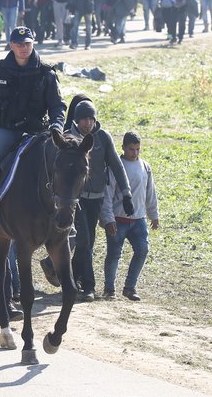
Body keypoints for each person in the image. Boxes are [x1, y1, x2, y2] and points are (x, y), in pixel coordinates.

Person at [0, 27, 66, 233]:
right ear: (11, 45)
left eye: (27, 43)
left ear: (33, 43)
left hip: (37, 131)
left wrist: (57, 126)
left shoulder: (47, 73)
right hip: (8, 129)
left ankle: (65, 217)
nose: (23, 48)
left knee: (64, 163)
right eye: (19, 44)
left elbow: (57, 105)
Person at [66, 100, 132, 301]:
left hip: (97, 198)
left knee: (89, 242)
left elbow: (116, 165)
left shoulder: (103, 137)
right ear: (77, 120)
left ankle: (71, 279)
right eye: (84, 119)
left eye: (91, 119)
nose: (88, 123)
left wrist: (126, 193)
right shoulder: (69, 138)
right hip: (75, 200)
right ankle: (88, 286)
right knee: (84, 240)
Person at [101, 131, 159, 301]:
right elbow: (107, 195)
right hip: (118, 220)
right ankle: (109, 289)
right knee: (113, 255)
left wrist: (153, 215)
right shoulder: (115, 168)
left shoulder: (145, 167)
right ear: (123, 148)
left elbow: (150, 193)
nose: (135, 153)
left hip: (139, 220)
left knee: (142, 250)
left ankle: (130, 287)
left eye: (138, 149)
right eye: (131, 149)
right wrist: (108, 219)